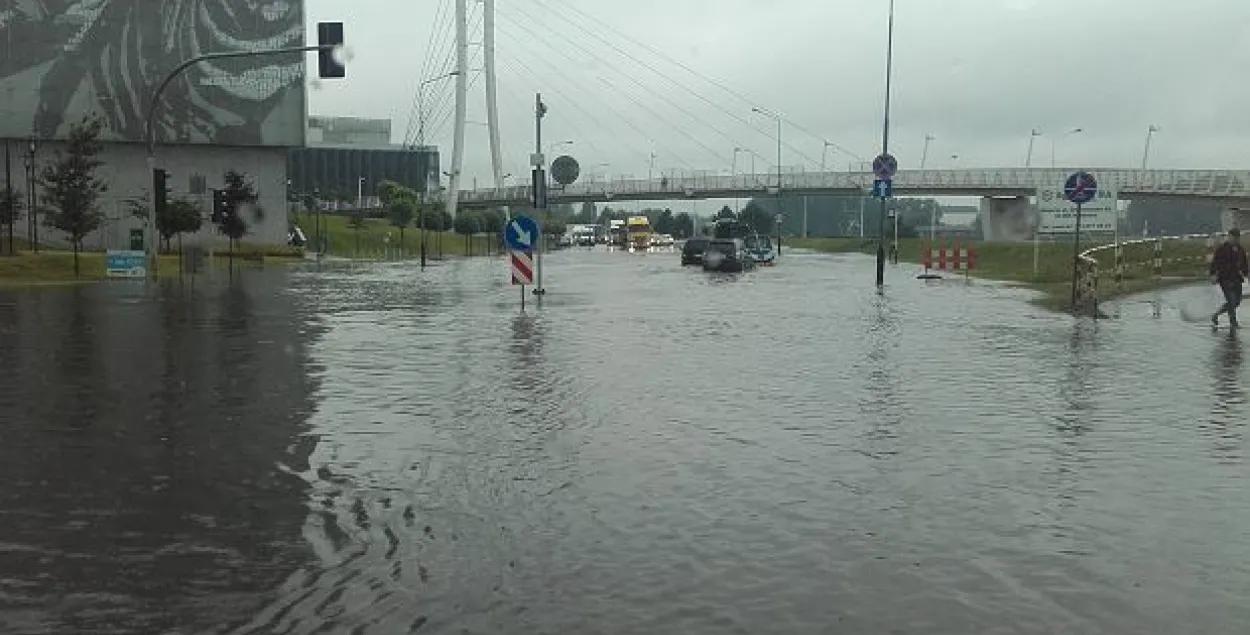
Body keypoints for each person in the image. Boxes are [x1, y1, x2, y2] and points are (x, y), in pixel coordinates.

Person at [1210, 228, 1249, 328]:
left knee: (1236, 302)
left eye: (1237, 238)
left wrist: (1247, 275)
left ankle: (1216, 314)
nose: (1235, 239)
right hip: (1225, 278)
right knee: (1231, 300)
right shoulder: (1222, 249)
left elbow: (1244, 264)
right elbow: (1214, 263)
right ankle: (1233, 322)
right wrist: (1213, 274)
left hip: (1236, 278)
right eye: (1233, 237)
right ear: (1229, 237)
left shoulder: (1240, 249)